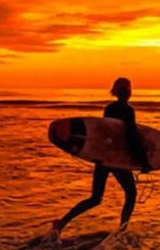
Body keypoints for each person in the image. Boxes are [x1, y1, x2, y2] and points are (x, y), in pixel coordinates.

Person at [48, 77, 151, 240]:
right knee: (130, 194)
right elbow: (131, 136)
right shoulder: (128, 110)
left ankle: (61, 223)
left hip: (102, 157)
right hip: (116, 159)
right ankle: (122, 231)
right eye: (128, 89)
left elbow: (104, 132)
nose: (128, 92)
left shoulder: (109, 108)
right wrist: (143, 161)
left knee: (95, 198)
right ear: (127, 92)